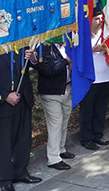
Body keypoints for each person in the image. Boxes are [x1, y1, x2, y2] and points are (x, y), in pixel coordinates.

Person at [0, 43, 41, 190]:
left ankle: (21, 172)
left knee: (24, 139)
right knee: (6, 143)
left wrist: (33, 58)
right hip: (3, 104)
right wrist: (4, 96)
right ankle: (5, 178)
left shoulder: (20, 43)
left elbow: (32, 65)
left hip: (23, 99)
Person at [29, 38, 74, 170]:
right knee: (55, 124)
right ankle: (53, 158)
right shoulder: (44, 48)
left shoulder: (68, 45)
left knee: (64, 121)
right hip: (51, 92)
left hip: (66, 88)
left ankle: (61, 148)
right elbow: (48, 69)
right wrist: (66, 61)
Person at [79, 8, 109, 150]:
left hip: (106, 77)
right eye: (96, 19)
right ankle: (86, 138)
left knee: (101, 108)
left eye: (101, 18)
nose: (100, 21)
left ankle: (98, 135)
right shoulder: (84, 35)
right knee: (88, 109)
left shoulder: (106, 34)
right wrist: (93, 49)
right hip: (91, 79)